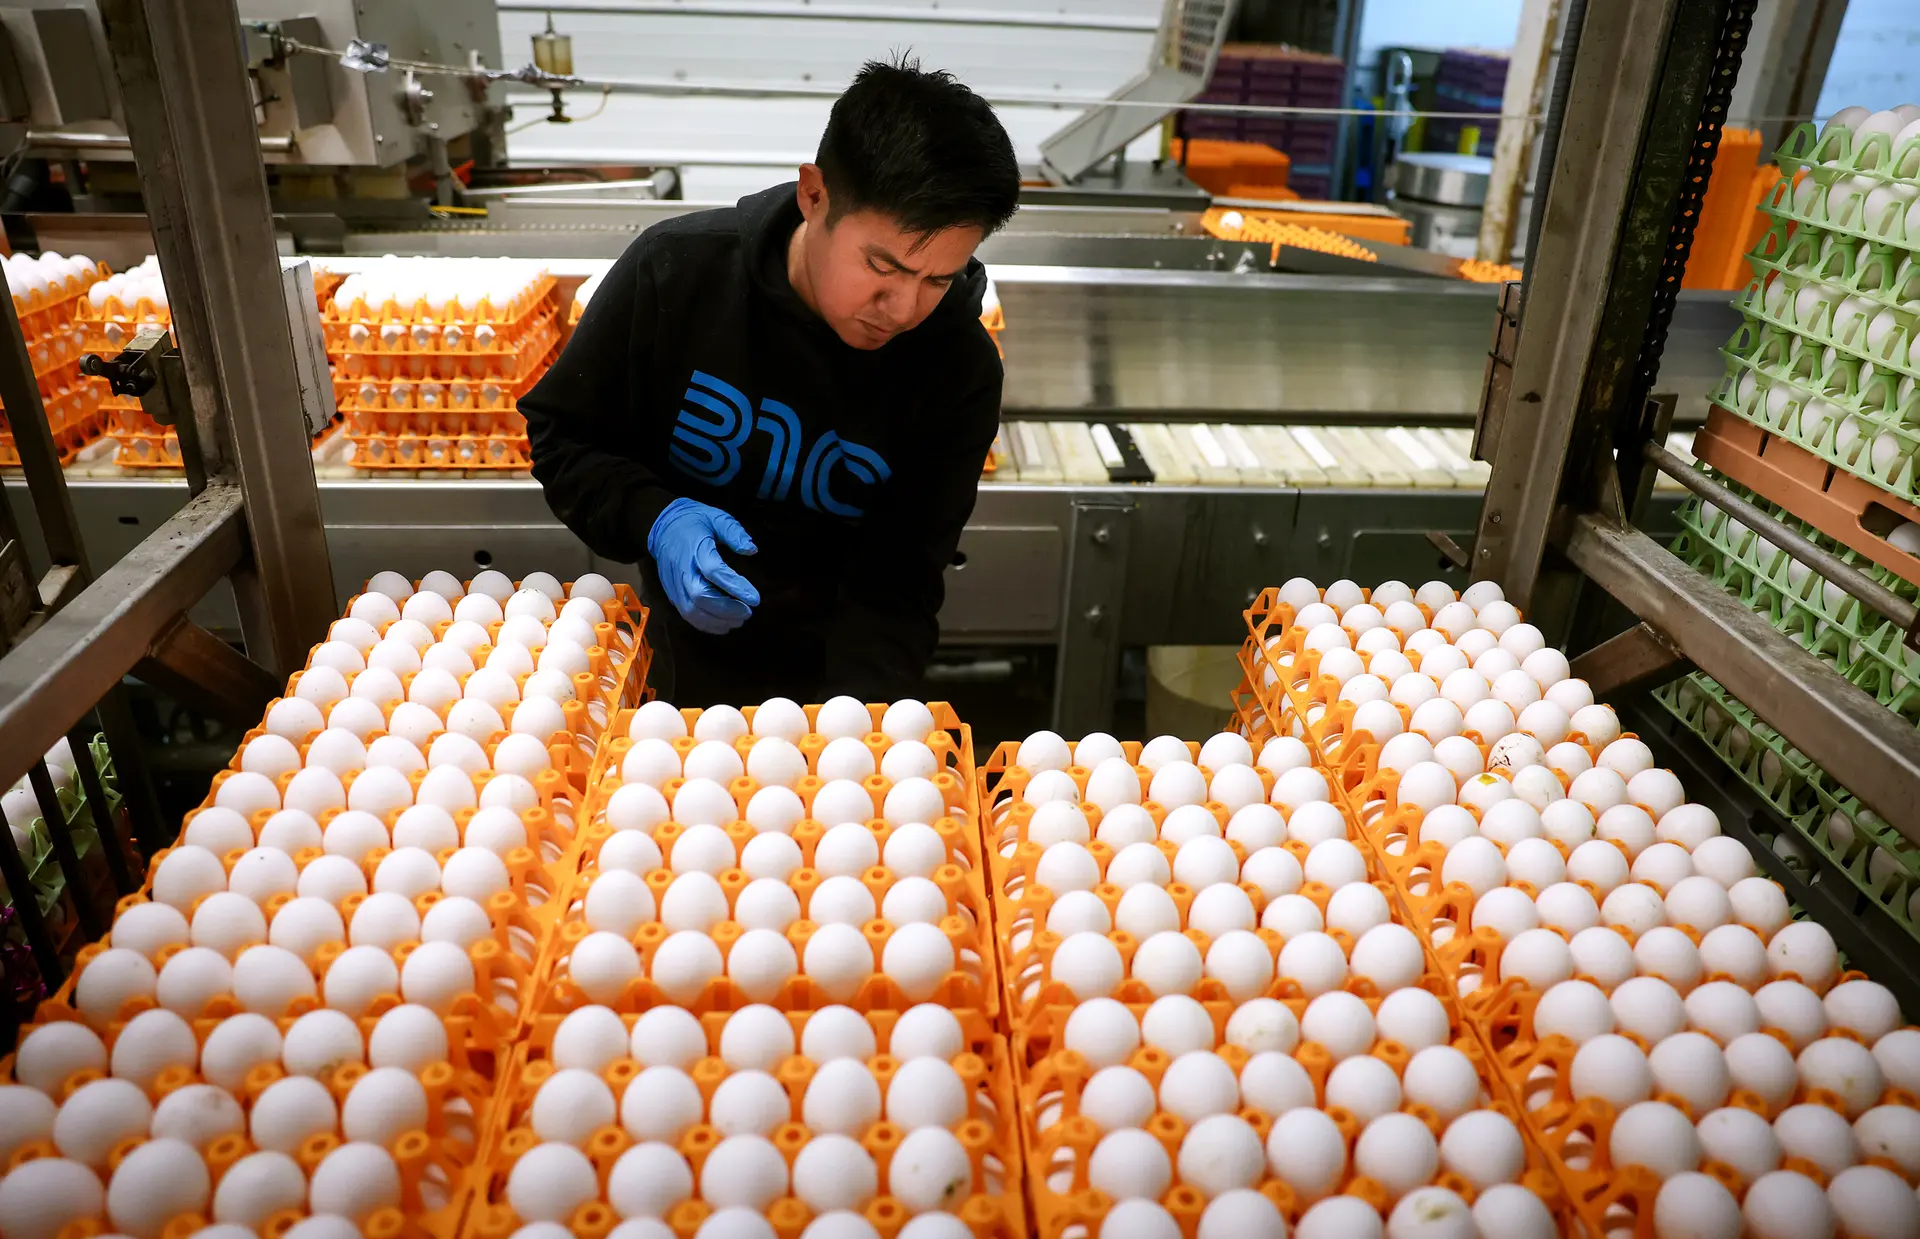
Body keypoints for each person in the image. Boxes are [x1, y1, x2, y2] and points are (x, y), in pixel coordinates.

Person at [521, 56, 1019, 707]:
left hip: (843, 680)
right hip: (678, 669)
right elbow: (565, 435)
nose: (902, 309)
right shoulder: (677, 276)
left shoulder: (957, 367)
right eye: (882, 266)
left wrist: (852, 738)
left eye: (937, 279)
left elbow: (900, 581)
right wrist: (657, 516)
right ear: (814, 195)